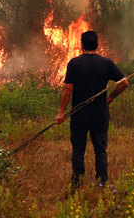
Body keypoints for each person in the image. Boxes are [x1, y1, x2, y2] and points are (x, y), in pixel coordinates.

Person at [55, 30, 129, 188]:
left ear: (81, 45)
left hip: (79, 116)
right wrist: (110, 98)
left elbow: (68, 88)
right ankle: (102, 182)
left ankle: (77, 183)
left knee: (78, 151)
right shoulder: (106, 63)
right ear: (97, 45)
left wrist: (61, 112)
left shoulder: (74, 63)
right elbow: (124, 83)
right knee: (100, 150)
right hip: (100, 115)